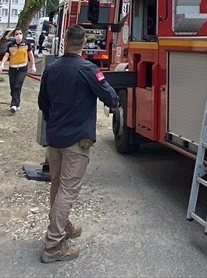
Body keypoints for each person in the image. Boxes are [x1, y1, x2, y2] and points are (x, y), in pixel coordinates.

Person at [37, 24, 119, 263]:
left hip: (55, 138)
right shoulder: (88, 69)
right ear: (84, 44)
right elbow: (110, 96)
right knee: (68, 189)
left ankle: (62, 226)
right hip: (76, 141)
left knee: (57, 185)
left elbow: (43, 103)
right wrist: (115, 104)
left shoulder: (50, 70)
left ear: (64, 41)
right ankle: (53, 245)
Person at [6, 30, 35, 113]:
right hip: (13, 68)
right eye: (16, 34)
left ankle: (14, 104)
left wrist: (33, 65)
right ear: (14, 35)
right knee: (13, 87)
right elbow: (7, 55)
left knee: (17, 85)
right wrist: (2, 64)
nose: (18, 35)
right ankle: (16, 103)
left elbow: (30, 55)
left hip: (22, 68)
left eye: (20, 33)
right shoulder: (11, 45)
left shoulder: (26, 44)